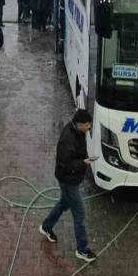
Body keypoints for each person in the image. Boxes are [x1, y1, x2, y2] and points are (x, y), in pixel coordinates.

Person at [39, 109, 97, 262]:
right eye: (87, 125)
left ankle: (46, 226)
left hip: (72, 179)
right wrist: (83, 163)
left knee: (64, 204)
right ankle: (82, 250)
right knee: (80, 215)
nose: (89, 128)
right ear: (78, 124)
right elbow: (65, 164)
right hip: (68, 180)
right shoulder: (68, 139)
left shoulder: (78, 132)